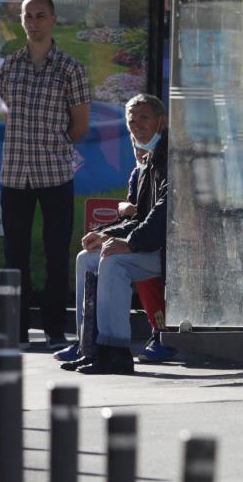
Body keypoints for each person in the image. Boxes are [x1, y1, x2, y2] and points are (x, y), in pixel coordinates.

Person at [0, 0, 91, 349]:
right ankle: (17, 328)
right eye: (28, 16)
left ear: (53, 19)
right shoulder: (9, 66)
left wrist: (53, 145)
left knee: (55, 252)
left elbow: (80, 125)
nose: (34, 22)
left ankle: (55, 328)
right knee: (15, 253)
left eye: (40, 15)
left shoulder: (70, 68)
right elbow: (3, 112)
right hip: (14, 174)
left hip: (54, 172)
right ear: (21, 21)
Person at [60, 95, 168, 375]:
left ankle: (116, 351)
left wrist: (129, 244)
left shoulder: (169, 156)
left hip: (173, 252)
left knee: (112, 260)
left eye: (144, 118)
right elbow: (140, 216)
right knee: (87, 257)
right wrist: (104, 233)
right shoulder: (148, 160)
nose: (137, 126)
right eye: (132, 120)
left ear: (162, 121)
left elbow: (165, 211)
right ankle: (90, 346)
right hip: (153, 245)